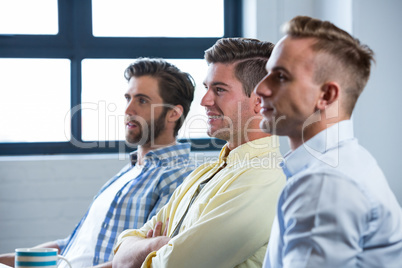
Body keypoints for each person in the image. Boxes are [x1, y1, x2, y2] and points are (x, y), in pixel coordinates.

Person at [0, 58, 196, 267]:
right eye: (128, 98)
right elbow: (73, 245)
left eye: (142, 100)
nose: (128, 109)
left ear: (173, 113)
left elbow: (147, 258)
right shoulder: (129, 172)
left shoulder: (179, 177)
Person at [111, 38, 286, 268]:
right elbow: (120, 255)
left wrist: (149, 250)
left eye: (219, 90)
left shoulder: (266, 179)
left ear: (260, 100)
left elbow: (174, 265)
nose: (204, 101)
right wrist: (155, 246)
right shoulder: (201, 174)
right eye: (206, 88)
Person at [255, 16, 402, 267]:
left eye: (280, 76)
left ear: (326, 95)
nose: (260, 88)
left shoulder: (324, 183)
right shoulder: (343, 164)